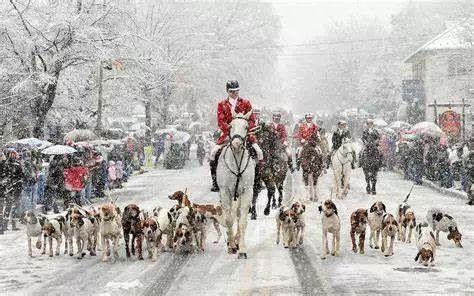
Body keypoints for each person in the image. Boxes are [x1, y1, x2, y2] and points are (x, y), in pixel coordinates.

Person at [209, 80, 264, 192]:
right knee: (213, 154)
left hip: (244, 135)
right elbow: (221, 121)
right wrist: (230, 129)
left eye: (236, 91)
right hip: (228, 135)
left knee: (259, 152)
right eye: (232, 91)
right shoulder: (221, 104)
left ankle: (258, 181)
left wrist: (245, 128)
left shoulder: (246, 103)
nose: (234, 93)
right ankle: (215, 182)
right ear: (227, 91)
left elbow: (252, 120)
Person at [2, 149, 25, 231]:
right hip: (10, 188)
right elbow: (4, 176)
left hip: (16, 188)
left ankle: (13, 225)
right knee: (9, 206)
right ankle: (5, 224)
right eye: (12, 154)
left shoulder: (17, 164)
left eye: (14, 154)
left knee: (15, 206)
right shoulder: (6, 164)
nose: (13, 155)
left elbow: (22, 175)